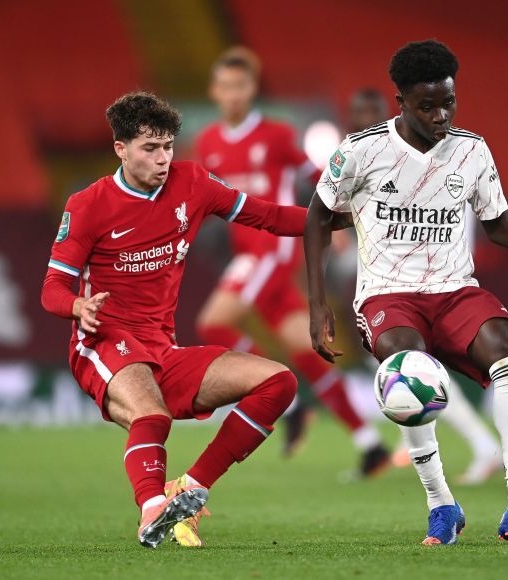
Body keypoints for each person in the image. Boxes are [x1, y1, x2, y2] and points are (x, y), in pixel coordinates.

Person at [304, 40, 508, 545]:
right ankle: (441, 505)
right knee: (405, 369)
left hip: (454, 289)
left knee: (506, 349)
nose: (440, 115)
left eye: (448, 102)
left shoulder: (472, 150)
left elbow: (499, 224)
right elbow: (318, 216)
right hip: (388, 294)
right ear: (400, 101)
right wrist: (318, 303)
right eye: (427, 106)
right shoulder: (361, 152)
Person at [41, 91, 344, 549]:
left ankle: (192, 488)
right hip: (104, 343)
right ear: (120, 149)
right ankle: (151, 512)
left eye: (168, 147)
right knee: (152, 415)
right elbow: (52, 290)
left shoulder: (193, 183)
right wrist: (77, 307)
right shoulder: (88, 204)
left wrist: (337, 220)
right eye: (150, 148)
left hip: (163, 347)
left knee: (278, 383)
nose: (163, 159)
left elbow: (266, 216)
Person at [193, 47, 389, 474]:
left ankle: (287, 401)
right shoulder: (207, 143)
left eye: (240, 86)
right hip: (248, 254)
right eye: (225, 86)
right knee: (306, 350)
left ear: (252, 88)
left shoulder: (277, 135)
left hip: (274, 249)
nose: (232, 94)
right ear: (214, 91)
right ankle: (370, 444)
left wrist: (343, 220)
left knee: (212, 323)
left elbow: (316, 178)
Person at [347, 88, 502, 484]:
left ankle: (481, 446)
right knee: (401, 365)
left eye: (370, 112)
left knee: (413, 369)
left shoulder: (413, 154)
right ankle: (423, 436)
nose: (363, 119)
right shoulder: (369, 155)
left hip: (429, 284)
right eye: (357, 113)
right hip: (396, 284)